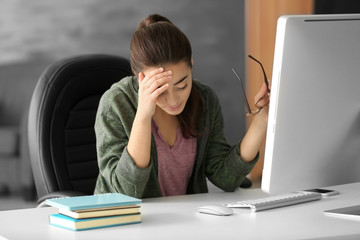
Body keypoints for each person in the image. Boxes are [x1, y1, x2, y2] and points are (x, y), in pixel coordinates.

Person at [94, 14, 269, 198]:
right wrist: (143, 115)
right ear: (140, 78)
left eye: (182, 85)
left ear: (191, 63)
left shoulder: (205, 99)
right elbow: (125, 194)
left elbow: (226, 178)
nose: (173, 100)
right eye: (160, 90)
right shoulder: (115, 103)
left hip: (183, 220)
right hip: (121, 223)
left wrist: (262, 119)